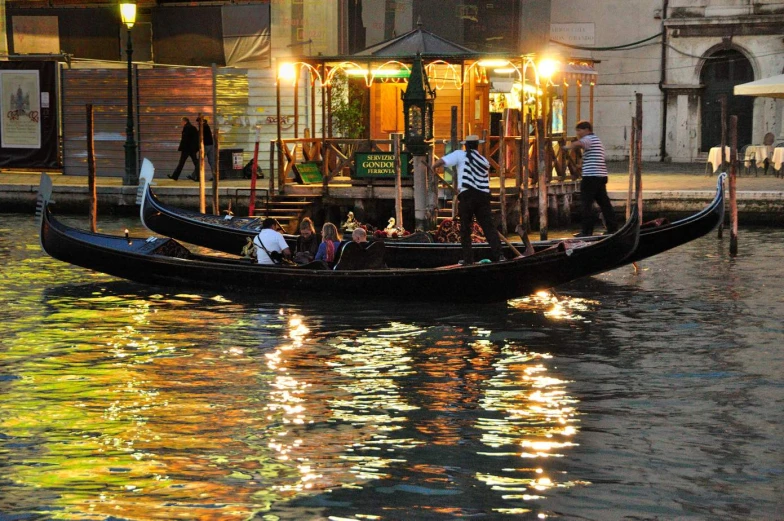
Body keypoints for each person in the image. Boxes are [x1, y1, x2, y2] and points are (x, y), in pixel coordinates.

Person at [428, 134, 503, 264]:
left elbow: (442, 161)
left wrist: (433, 167)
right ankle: (500, 256)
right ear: (477, 146)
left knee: (465, 229)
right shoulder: (484, 161)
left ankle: (468, 260)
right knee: (489, 227)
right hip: (483, 197)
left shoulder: (460, 155)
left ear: (466, 145)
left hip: (468, 196)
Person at [565, 120, 618, 237]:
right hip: (600, 176)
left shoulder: (589, 139)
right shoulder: (596, 140)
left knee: (586, 204)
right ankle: (612, 228)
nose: (578, 133)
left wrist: (567, 147)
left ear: (587, 130)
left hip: (591, 177)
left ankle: (586, 231)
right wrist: (580, 165)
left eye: (579, 130)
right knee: (604, 203)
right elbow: (592, 158)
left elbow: (580, 143)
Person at [168, 117, 200, 181]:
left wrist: (182, 147)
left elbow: (185, 139)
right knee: (196, 163)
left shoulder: (187, 128)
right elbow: (196, 139)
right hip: (192, 149)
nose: (181, 123)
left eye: (181, 122)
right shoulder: (193, 128)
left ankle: (175, 176)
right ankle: (199, 177)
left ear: (185, 121)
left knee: (181, 163)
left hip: (187, 149)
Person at [197, 116, 215, 180]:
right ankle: (215, 176)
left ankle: (196, 176)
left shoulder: (203, 127)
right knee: (211, 161)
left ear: (202, 122)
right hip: (210, 145)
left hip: (206, 146)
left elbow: (200, 137)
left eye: (198, 122)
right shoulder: (207, 126)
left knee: (200, 160)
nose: (198, 123)